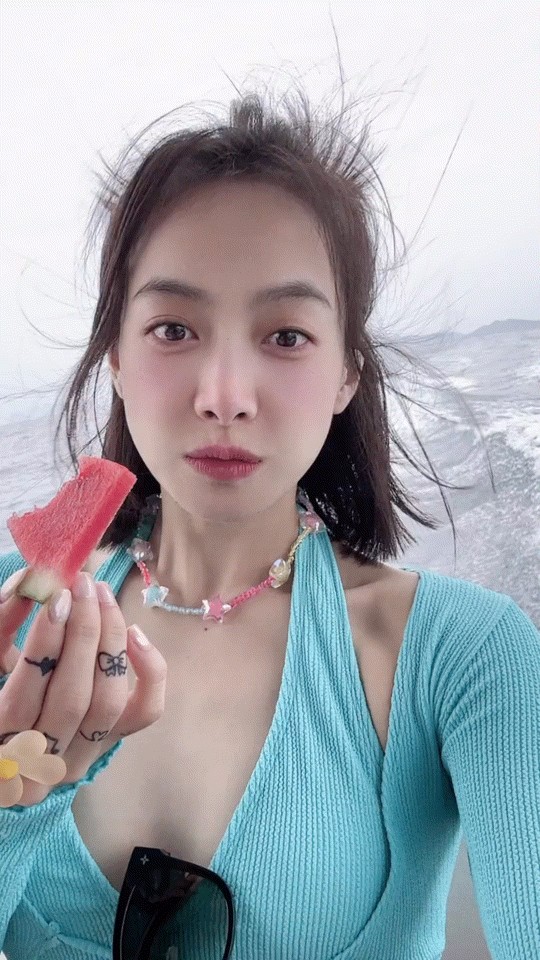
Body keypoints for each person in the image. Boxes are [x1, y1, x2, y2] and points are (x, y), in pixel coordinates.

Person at [0, 68, 539, 960]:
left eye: (286, 335)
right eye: (174, 328)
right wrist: (10, 809)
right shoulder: (15, 618)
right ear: (117, 358)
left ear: (347, 373)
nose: (224, 395)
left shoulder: (462, 657)